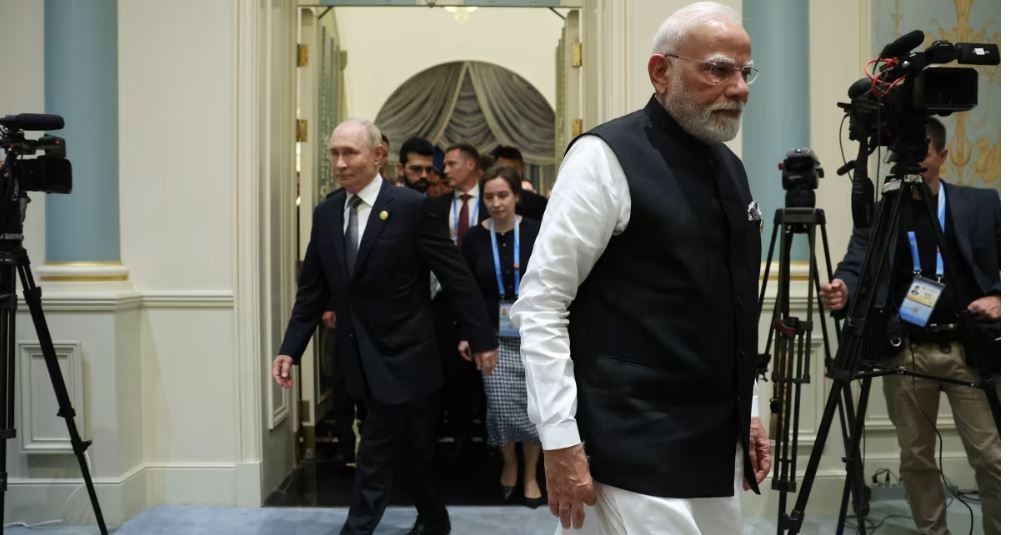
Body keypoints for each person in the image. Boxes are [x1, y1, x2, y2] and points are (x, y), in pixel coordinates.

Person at [509, 3, 770, 533]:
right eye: (719, 70)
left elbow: (733, 306)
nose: (739, 88)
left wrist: (749, 410)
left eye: (746, 72)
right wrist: (559, 438)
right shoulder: (604, 158)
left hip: (713, 442)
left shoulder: (731, 168)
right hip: (629, 443)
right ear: (660, 71)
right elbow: (542, 303)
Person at [272, 118, 499, 535]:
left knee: (375, 448)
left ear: (378, 156)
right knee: (407, 448)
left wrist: (481, 337)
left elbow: (455, 277)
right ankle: (435, 519)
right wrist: (290, 348)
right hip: (355, 356)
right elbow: (312, 290)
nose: (340, 163)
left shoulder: (412, 208)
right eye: (334, 153)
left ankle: (356, 529)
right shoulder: (326, 213)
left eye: (350, 153)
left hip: (404, 355)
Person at [819, 117, 1000, 535]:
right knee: (916, 459)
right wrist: (843, 289)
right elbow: (856, 261)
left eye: (924, 152)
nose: (915, 162)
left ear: (942, 154)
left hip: (964, 348)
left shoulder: (980, 204)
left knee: (992, 457)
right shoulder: (884, 210)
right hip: (906, 350)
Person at [459, 166, 545, 508]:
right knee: (500, 407)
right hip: (491, 336)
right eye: (489, 197)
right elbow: (466, 291)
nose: (496, 203)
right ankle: (510, 463)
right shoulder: (473, 238)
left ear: (516, 197)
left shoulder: (537, 231)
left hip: (535, 333)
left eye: (503, 195)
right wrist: (468, 335)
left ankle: (531, 474)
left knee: (535, 406)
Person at [490, 145, 549, 221]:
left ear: (522, 168)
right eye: (503, 170)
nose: (508, 174)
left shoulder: (538, 203)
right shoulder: (486, 202)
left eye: (513, 169)